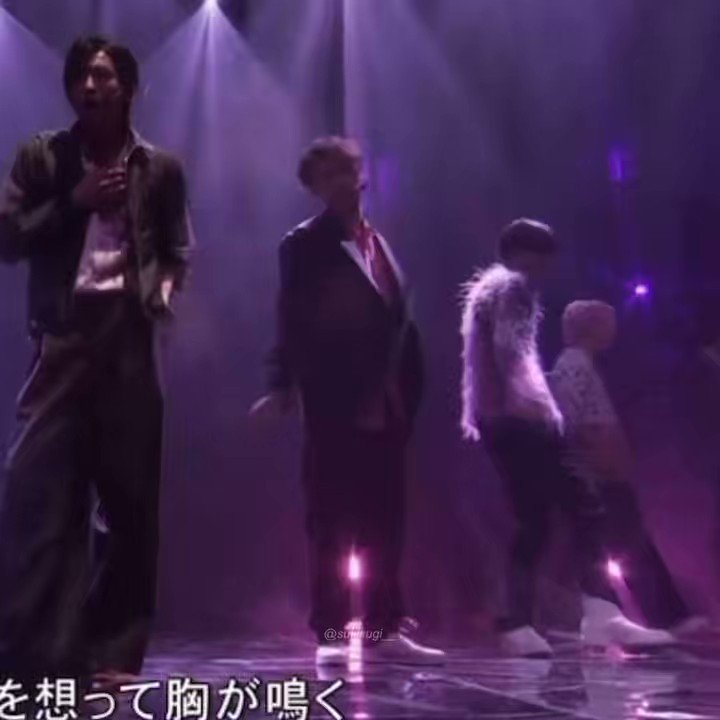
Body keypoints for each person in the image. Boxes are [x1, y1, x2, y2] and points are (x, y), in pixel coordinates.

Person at [0, 35, 193, 683]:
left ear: (129, 88)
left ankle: (112, 652)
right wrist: (74, 202)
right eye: (81, 74)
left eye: (103, 74)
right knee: (36, 493)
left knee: (130, 502)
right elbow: (6, 238)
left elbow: (177, 249)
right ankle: (36, 652)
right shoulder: (43, 156)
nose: (90, 84)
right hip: (62, 336)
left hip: (129, 337)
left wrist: (163, 293)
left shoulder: (159, 169)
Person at [251, 136, 444, 666]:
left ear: (361, 174)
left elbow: (397, 321)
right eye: (327, 175)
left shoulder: (377, 242)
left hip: (389, 401)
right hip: (335, 398)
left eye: (346, 170)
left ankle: (384, 629)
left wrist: (406, 387)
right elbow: (292, 316)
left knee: (386, 518)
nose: (340, 181)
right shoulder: (305, 243)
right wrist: (281, 383)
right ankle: (333, 632)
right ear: (313, 187)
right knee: (333, 518)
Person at [460, 219, 672, 656]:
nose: (546, 269)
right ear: (527, 255)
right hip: (520, 417)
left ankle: (525, 623)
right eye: (543, 258)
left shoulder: (491, 291)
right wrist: (540, 410)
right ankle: (595, 615)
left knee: (537, 519)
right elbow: (510, 352)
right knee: (582, 506)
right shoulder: (513, 288)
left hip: (500, 417)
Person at [550, 300, 705, 636]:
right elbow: (580, 422)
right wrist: (605, 461)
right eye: (607, 323)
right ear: (591, 326)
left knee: (620, 539)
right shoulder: (574, 366)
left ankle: (665, 615)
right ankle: (667, 617)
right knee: (626, 539)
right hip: (596, 472)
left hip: (601, 469)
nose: (613, 331)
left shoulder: (582, 365)